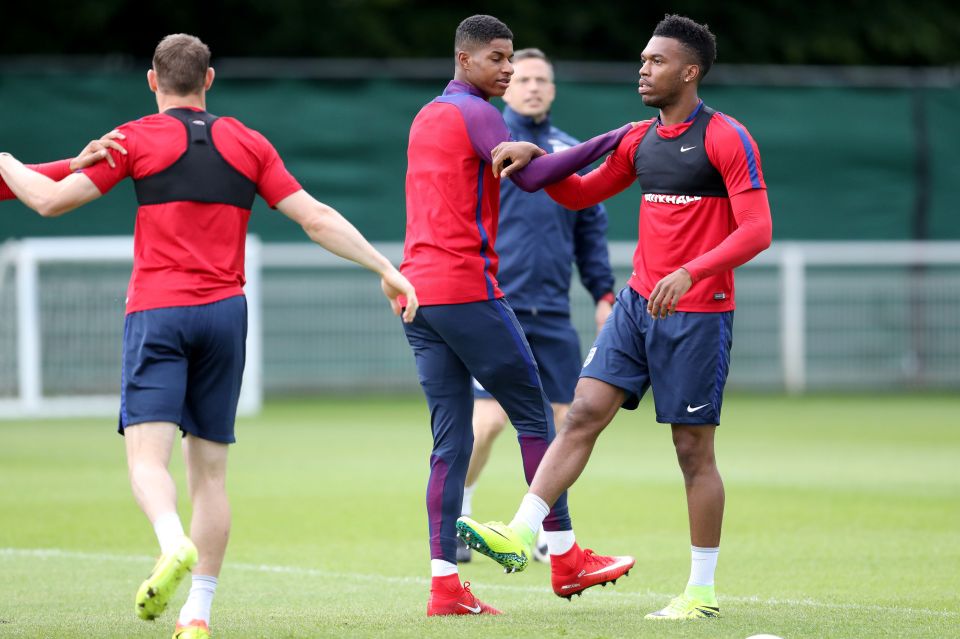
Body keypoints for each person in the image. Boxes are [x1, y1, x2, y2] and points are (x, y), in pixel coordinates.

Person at [0, 33, 417, 639]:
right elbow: (316, 217)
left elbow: (46, 201)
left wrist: (6, 160)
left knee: (147, 459)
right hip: (225, 314)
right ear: (210, 80)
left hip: (158, 311)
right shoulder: (248, 142)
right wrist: (386, 268)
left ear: (152, 81)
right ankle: (198, 615)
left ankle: (172, 542)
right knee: (212, 475)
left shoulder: (134, 138)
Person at [460, 14, 772, 620]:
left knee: (692, 452)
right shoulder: (638, 138)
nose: (644, 69)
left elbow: (758, 230)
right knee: (580, 414)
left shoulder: (726, 138)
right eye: (642, 60)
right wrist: (535, 159)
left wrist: (693, 271)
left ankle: (700, 593)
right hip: (637, 305)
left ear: (690, 71)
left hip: (698, 312)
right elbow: (579, 192)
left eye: (656, 62)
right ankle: (524, 534)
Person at [400, 14, 637, 617]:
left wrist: (536, 148)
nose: (508, 70)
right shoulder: (481, 113)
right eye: (498, 58)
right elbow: (534, 178)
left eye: (512, 59)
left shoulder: (428, 114)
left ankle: (444, 587)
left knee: (449, 441)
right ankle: (564, 556)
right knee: (536, 417)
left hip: (417, 298)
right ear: (464, 59)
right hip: (466, 290)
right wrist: (617, 138)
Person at [457, 47, 616, 565]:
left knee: (569, 426)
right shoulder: (487, 146)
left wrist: (604, 293)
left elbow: (591, 233)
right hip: (495, 305)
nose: (531, 86)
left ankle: (549, 530)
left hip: (552, 315)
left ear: (552, 88)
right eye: (521, 77)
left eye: (541, 79)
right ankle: (460, 511)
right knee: (489, 424)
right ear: (508, 83)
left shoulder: (569, 152)